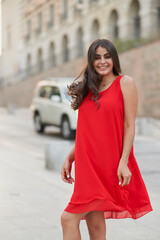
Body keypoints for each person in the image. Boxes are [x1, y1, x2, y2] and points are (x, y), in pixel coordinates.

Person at [60, 39, 153, 240]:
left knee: (68, 219)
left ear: (114, 59)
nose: (102, 61)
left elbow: (129, 126)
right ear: (91, 61)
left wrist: (124, 161)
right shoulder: (88, 87)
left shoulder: (125, 83)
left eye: (107, 56)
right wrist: (71, 156)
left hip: (107, 164)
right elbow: (88, 130)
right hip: (87, 166)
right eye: (97, 57)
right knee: (96, 228)